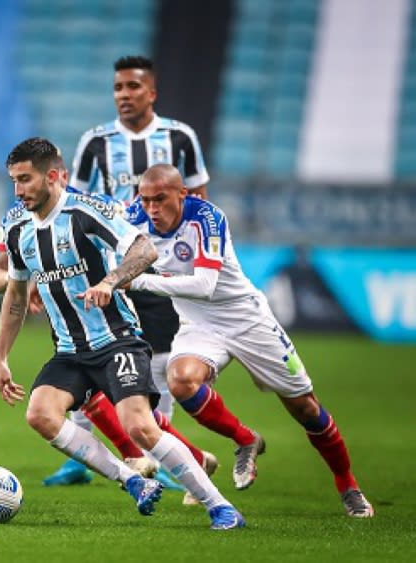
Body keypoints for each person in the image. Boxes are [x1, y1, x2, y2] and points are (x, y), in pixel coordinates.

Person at [0, 137, 244, 530]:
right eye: (14, 181)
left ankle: (221, 507)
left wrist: (110, 282)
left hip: (117, 341)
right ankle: (131, 481)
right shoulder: (16, 227)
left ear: (54, 176)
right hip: (69, 352)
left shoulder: (86, 212)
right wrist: (0, 357)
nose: (18, 190)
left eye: (25, 180)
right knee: (40, 414)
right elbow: (14, 294)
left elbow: (145, 250)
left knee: (140, 427)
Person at [127, 164, 374, 518]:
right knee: (180, 381)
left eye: (160, 199)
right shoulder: (133, 217)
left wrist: (137, 282)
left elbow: (204, 285)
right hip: (198, 323)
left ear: (183, 194)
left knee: (305, 408)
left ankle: (347, 484)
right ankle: (245, 439)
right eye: (146, 200)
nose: (152, 208)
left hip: (247, 319)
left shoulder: (207, 218)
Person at [41, 54, 215, 491]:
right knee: (86, 353)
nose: (124, 95)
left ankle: (161, 456)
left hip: (161, 266)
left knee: (156, 362)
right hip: (106, 267)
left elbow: (198, 196)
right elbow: (72, 201)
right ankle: (80, 456)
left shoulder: (179, 136)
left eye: (133, 87)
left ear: (151, 92)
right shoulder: (95, 142)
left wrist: (190, 256)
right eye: (118, 87)